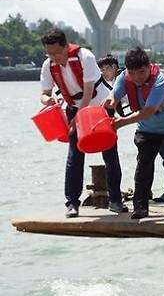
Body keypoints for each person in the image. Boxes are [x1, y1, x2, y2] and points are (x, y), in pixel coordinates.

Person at [39, 28, 128, 217]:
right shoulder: (48, 65)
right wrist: (47, 100)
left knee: (110, 152)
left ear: (66, 46)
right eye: (49, 53)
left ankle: (115, 200)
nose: (54, 57)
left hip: (100, 105)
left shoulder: (84, 56)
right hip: (74, 107)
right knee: (75, 155)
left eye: (57, 52)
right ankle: (72, 202)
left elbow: (88, 92)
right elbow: (45, 92)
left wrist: (79, 119)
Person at [104, 47, 164, 219]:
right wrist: (110, 101)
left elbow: (148, 111)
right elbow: (114, 96)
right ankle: (140, 207)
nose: (138, 77)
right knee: (144, 165)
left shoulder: (160, 81)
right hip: (148, 130)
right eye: (132, 73)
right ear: (127, 71)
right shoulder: (123, 79)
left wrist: (122, 122)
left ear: (149, 67)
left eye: (142, 72)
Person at [98, 54, 164, 203]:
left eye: (105, 69)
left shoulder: (132, 79)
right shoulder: (117, 83)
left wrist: (121, 119)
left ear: (113, 68)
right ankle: (145, 193)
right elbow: (112, 99)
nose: (102, 73)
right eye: (100, 70)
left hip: (162, 120)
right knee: (145, 159)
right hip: (145, 122)